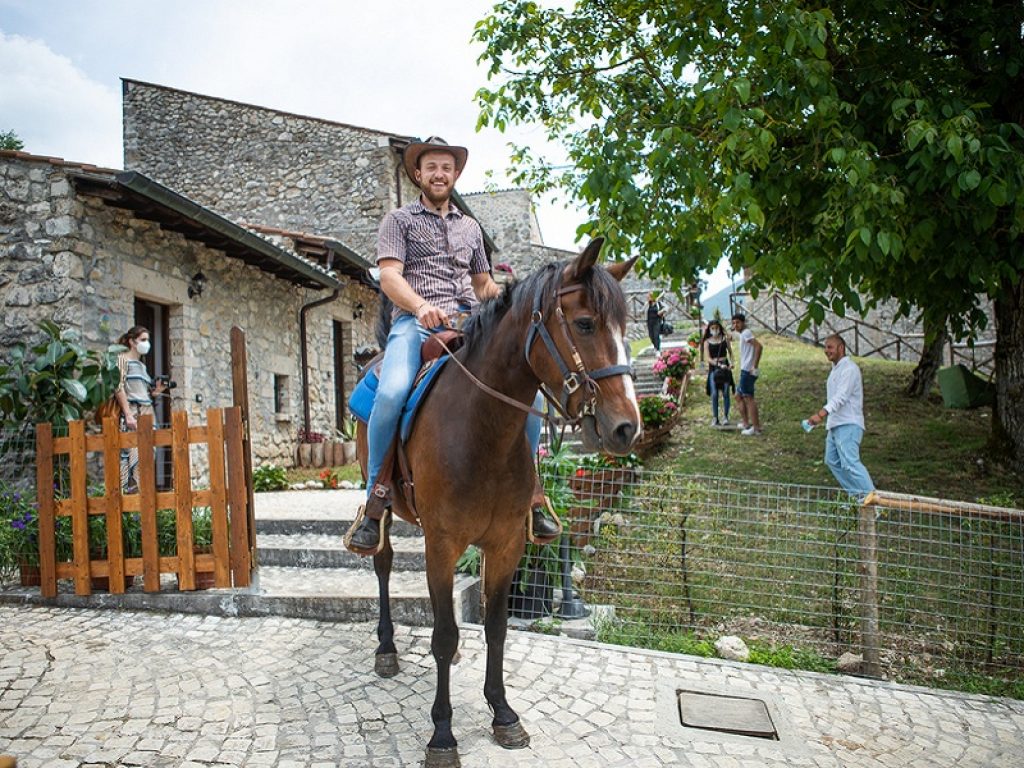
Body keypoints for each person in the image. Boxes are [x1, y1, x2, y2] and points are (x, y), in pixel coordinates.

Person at [346, 137, 559, 554]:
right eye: (431, 168)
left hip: (469, 327)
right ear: (418, 175)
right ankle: (376, 500)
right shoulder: (399, 221)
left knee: (527, 399)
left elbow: (482, 285)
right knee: (390, 393)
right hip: (415, 325)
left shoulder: (470, 228)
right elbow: (389, 276)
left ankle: (532, 496)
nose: (439, 174)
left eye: (446, 167)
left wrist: (509, 304)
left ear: (455, 174)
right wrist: (420, 306)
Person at [805, 334, 875, 499]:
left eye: (830, 347)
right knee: (832, 461)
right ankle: (859, 498)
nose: (826, 351)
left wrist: (821, 414)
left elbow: (841, 397)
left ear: (841, 348)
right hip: (835, 424)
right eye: (825, 347)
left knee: (851, 463)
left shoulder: (849, 369)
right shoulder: (836, 370)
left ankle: (874, 503)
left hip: (849, 423)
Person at [114, 326, 166, 492]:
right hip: (133, 415)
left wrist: (156, 392)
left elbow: (143, 394)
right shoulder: (122, 360)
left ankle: (142, 500)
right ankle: (131, 502)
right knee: (133, 458)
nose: (147, 344)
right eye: (143, 340)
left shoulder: (142, 367)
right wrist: (128, 414)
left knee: (147, 458)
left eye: (147, 340)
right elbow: (118, 387)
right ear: (132, 341)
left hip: (147, 415)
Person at [731, 312, 763, 436]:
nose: (735, 325)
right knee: (738, 395)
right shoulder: (743, 334)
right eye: (733, 323)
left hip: (748, 371)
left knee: (749, 398)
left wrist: (754, 366)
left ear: (743, 322)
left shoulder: (746, 333)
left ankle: (756, 428)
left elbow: (759, 347)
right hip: (744, 369)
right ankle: (746, 423)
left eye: (738, 322)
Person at [702, 319, 733, 426]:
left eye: (717, 328)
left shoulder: (725, 339)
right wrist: (718, 364)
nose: (715, 330)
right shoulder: (707, 342)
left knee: (726, 392)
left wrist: (732, 363)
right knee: (714, 393)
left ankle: (726, 416)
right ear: (709, 329)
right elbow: (708, 358)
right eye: (713, 328)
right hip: (714, 369)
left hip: (725, 367)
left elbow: (730, 352)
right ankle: (715, 417)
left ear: (720, 328)